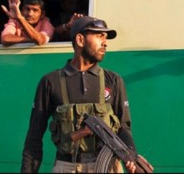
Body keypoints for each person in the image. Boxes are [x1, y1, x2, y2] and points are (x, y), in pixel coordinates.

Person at [20, 16, 153, 173]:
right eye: (99, 36)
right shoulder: (51, 81)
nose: (105, 43)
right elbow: (34, 137)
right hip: (67, 167)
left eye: (106, 37)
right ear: (80, 40)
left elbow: (123, 127)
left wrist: (132, 156)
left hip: (107, 166)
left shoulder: (113, 80)